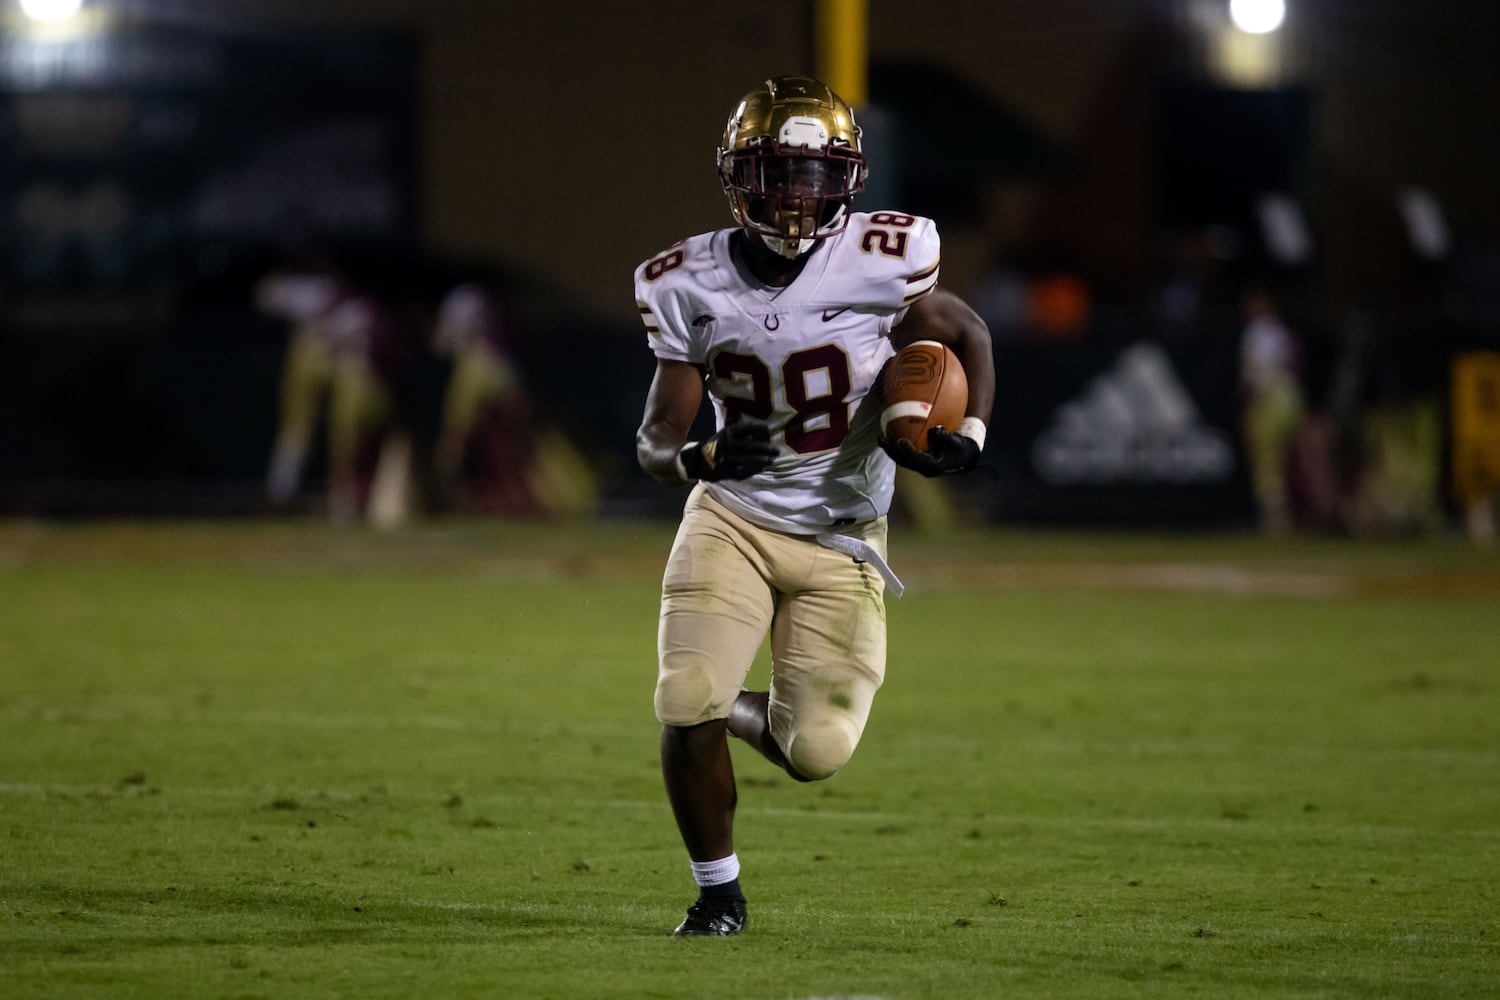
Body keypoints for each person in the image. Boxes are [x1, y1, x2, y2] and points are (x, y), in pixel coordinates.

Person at [632, 75, 995, 937]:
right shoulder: (686, 279)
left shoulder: (884, 258)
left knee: (816, 751)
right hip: (735, 519)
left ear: (849, 180)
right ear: (737, 176)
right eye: (778, 172)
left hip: (843, 535)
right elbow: (655, 435)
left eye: (814, 174)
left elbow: (968, 333)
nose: (796, 197)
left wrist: (970, 435)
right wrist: (700, 455)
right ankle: (718, 896)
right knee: (686, 698)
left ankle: (748, 709)